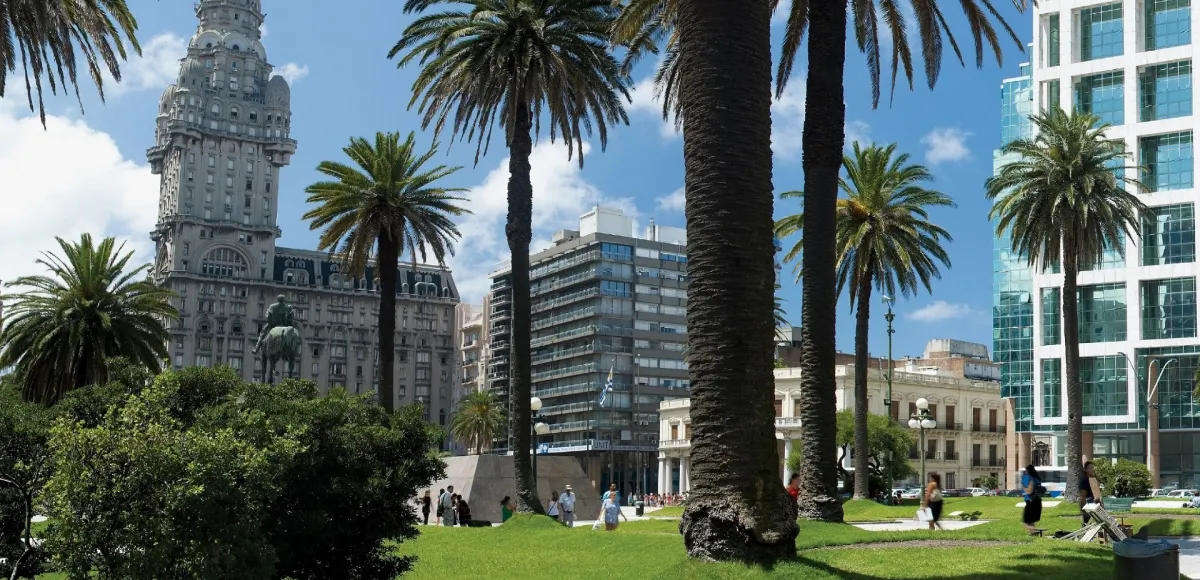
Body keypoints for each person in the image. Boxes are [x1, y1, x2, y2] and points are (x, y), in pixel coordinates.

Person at [1021, 464, 1043, 535]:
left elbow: (1029, 491)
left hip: (1031, 501)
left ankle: (1035, 532)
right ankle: (1032, 534)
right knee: (1031, 521)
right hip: (1038, 501)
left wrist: (1023, 487)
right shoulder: (1037, 478)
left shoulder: (1030, 478)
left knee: (1025, 522)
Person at [1080, 461, 1103, 525]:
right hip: (1088, 505)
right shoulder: (1084, 480)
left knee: (1099, 524)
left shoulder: (1094, 479)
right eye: (1090, 468)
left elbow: (1097, 493)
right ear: (1086, 469)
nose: (1092, 469)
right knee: (1087, 524)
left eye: (1093, 467)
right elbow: (1083, 495)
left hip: (1096, 504)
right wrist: (1084, 509)